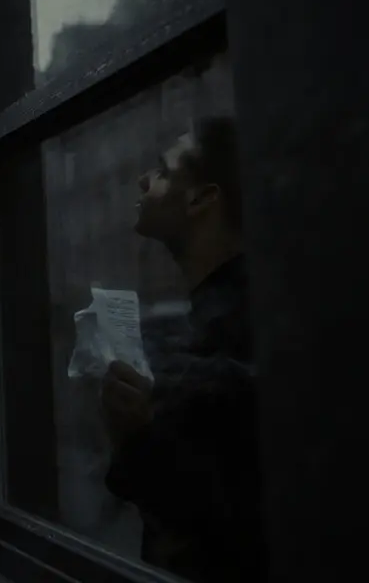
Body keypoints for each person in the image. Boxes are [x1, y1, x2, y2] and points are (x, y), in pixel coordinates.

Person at [102, 116, 265, 581]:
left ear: (201, 198)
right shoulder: (223, 316)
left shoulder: (228, 334)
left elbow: (215, 514)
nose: (144, 179)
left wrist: (131, 434)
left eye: (163, 169)